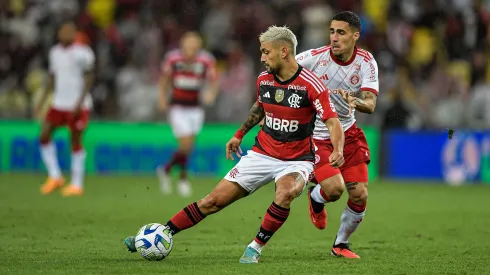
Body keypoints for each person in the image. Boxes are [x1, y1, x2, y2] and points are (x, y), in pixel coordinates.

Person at [124, 25, 345, 264]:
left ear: (284, 52)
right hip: (262, 154)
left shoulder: (311, 85)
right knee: (212, 202)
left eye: (266, 52)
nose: (262, 58)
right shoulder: (264, 80)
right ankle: (162, 232)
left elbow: (333, 122)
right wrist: (239, 134)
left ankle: (255, 247)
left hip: (297, 160)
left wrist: (338, 149)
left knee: (285, 192)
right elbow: (259, 107)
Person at [296, 11, 379, 258]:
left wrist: (354, 100)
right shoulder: (314, 58)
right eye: (332, 31)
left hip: (349, 132)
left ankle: (340, 244)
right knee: (334, 190)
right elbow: (283, 68)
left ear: (355, 36)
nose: (334, 37)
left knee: (360, 194)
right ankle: (316, 196)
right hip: (318, 135)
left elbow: (371, 104)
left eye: (341, 32)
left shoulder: (366, 62)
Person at [156, 31, 219, 197]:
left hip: (196, 108)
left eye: (195, 43)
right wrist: (162, 98)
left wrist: (211, 93)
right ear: (183, 44)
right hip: (177, 107)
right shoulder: (173, 59)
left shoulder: (206, 60)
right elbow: (164, 80)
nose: (192, 46)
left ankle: (166, 170)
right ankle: (183, 179)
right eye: (189, 42)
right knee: (185, 144)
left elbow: (214, 80)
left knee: (188, 146)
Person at [36, 21, 95, 197]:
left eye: (70, 31)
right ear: (59, 33)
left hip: (78, 105)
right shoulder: (54, 52)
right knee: (44, 135)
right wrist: (43, 100)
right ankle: (55, 176)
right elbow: (53, 79)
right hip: (58, 103)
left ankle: (77, 184)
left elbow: (89, 78)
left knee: (75, 141)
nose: (66, 34)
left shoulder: (83, 52)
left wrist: (80, 101)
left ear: (74, 33)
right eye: (63, 31)